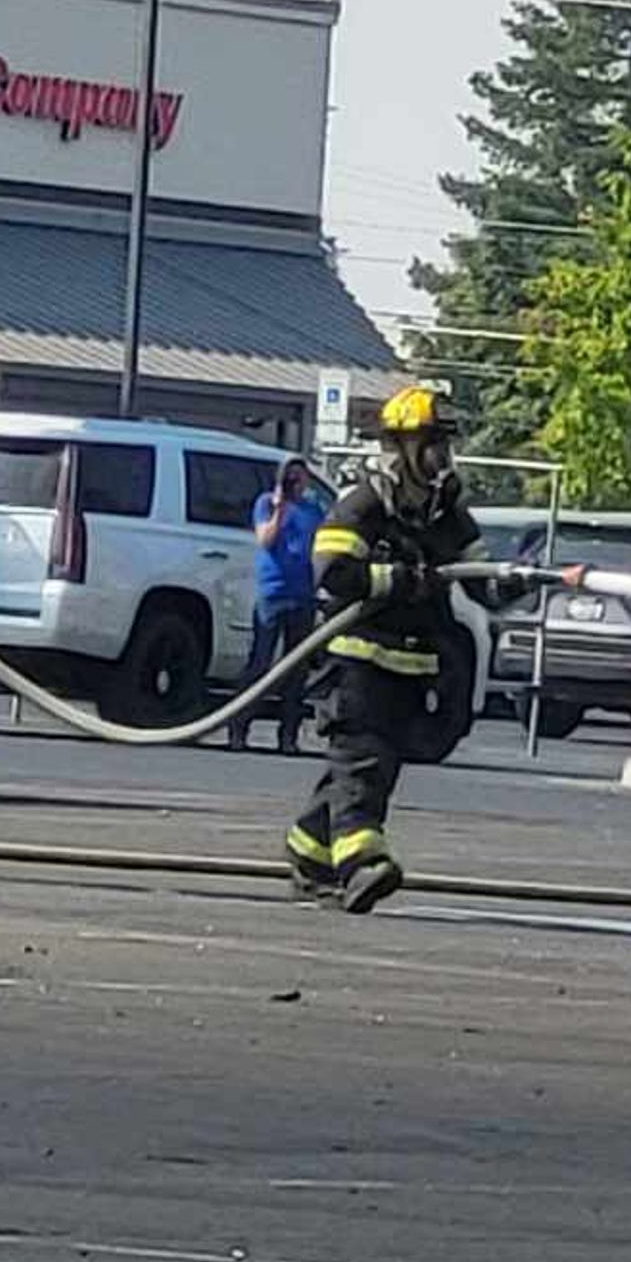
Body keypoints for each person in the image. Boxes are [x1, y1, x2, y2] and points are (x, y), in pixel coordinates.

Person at [295, 388, 509, 912]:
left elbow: (480, 579)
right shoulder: (364, 503)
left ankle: (309, 853)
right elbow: (331, 573)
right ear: (403, 446)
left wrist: (518, 582)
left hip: (412, 666)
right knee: (362, 765)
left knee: (376, 766)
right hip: (356, 663)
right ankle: (362, 863)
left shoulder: (445, 512)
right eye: (433, 444)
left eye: (444, 446)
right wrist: (398, 579)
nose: (442, 457)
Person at [229, 456, 325, 755]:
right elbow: (265, 540)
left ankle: (288, 736)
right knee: (260, 662)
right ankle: (239, 728)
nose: (296, 483)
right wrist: (280, 508)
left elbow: (321, 546)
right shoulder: (266, 504)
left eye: (300, 477)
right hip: (273, 592)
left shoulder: (313, 509)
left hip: (304, 594)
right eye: (290, 478)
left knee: (296, 668)